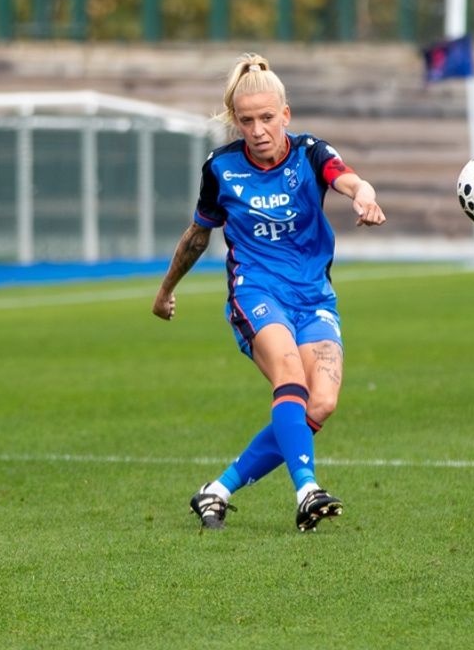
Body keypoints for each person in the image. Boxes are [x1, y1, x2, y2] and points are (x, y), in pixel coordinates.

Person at [152, 52, 386, 532]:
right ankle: (307, 490)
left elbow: (345, 178)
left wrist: (363, 195)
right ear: (235, 122)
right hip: (256, 291)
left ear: (285, 115)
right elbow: (198, 235)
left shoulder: (308, 152)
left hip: (313, 296)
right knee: (288, 371)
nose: (257, 130)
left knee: (320, 404)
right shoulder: (221, 168)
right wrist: (165, 290)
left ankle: (216, 491)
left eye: (266, 118)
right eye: (246, 120)